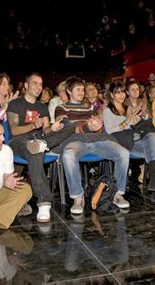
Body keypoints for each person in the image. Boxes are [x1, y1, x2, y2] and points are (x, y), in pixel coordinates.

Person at [55, 76, 131, 215]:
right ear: (68, 91)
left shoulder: (90, 107)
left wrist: (97, 126)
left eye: (82, 90)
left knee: (124, 153)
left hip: (97, 140)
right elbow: (66, 128)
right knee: (68, 154)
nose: (81, 92)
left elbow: (99, 128)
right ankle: (78, 197)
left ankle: (117, 194)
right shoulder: (61, 108)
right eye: (78, 89)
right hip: (76, 141)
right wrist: (88, 127)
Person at [7, 73, 75, 223]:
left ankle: (42, 145)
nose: (39, 87)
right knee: (34, 149)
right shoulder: (15, 104)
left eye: (41, 84)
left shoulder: (41, 106)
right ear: (26, 86)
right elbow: (13, 131)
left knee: (69, 125)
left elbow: (46, 130)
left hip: (40, 139)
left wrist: (54, 128)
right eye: (35, 83)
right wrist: (32, 126)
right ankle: (44, 201)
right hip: (19, 141)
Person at [103, 82, 155, 196]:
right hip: (119, 143)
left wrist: (140, 115)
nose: (121, 95)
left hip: (131, 139)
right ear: (112, 95)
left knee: (152, 137)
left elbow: (133, 124)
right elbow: (110, 130)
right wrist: (127, 120)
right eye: (117, 93)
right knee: (153, 150)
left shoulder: (126, 108)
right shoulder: (108, 110)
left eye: (122, 92)